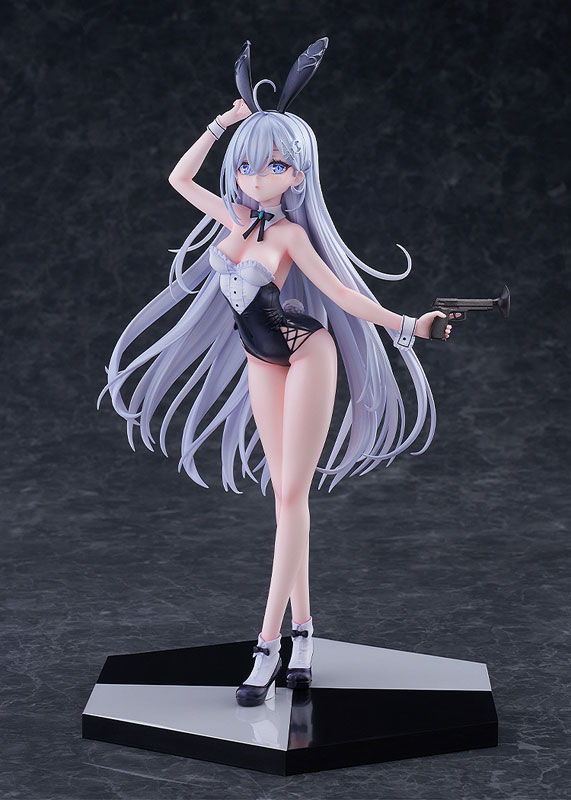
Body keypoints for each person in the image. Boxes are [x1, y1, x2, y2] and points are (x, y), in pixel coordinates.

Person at [97, 38, 452, 708]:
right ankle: (305, 634)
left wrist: (407, 325)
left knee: (291, 496)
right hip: (261, 357)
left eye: (276, 165)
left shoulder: (290, 235)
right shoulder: (231, 217)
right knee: (287, 502)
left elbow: (340, 295)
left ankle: (266, 647)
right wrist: (221, 123)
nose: (258, 177)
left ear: (297, 175)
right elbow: (178, 181)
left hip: (307, 350)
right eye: (247, 165)